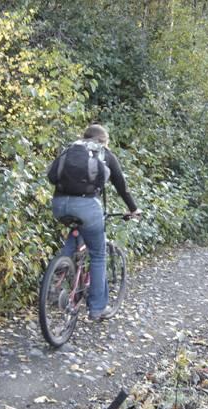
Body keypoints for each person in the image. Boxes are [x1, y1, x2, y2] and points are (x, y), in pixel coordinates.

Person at [47, 124, 141, 321]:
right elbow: (122, 187)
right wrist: (133, 209)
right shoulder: (104, 153)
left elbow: (52, 176)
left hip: (59, 204)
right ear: (103, 141)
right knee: (98, 254)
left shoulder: (71, 149)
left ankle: (59, 271)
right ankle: (97, 308)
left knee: (78, 232)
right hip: (87, 207)